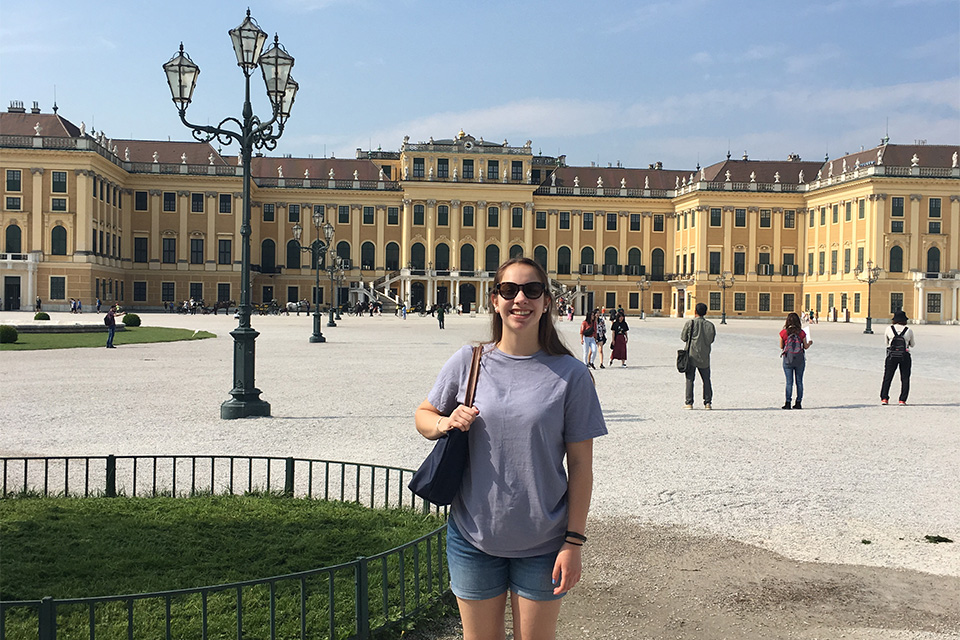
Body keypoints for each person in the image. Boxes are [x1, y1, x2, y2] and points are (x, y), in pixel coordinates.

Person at [414, 257, 607, 640]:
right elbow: (424, 414)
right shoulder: (469, 362)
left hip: (544, 542)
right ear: (495, 300)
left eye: (532, 290)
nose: (520, 299)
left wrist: (574, 542)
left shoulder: (571, 375)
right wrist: (444, 423)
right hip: (473, 536)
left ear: (548, 301)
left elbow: (581, 466)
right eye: (509, 290)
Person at [680, 303, 716, 409]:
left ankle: (689, 403)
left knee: (690, 379)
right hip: (704, 356)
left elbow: (683, 338)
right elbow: (711, 340)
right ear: (705, 312)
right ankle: (708, 403)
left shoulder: (690, 323)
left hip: (691, 355)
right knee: (706, 379)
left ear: (695, 312)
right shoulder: (710, 325)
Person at [880, 310, 915, 405]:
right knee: (905, 378)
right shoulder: (908, 330)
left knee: (888, 377)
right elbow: (912, 345)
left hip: (891, 355)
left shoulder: (889, 329)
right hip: (905, 355)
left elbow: (886, 343)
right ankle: (902, 399)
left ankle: (884, 398)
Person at [779, 312, 813, 409]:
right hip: (799, 360)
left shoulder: (784, 333)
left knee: (789, 382)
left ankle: (788, 403)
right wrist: (810, 343)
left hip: (788, 360)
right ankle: (798, 403)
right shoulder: (801, 333)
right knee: (799, 381)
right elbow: (805, 347)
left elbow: (781, 346)